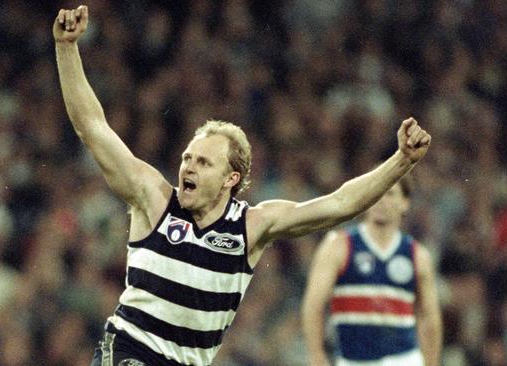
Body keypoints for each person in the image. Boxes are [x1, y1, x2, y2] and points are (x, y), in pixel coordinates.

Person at [53, 6, 432, 366]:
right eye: (187, 157)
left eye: (203, 162)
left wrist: (401, 161)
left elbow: (340, 204)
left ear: (230, 179)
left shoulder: (251, 227)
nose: (188, 166)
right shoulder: (153, 199)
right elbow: (93, 128)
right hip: (128, 351)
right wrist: (67, 48)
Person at [301, 178, 443, 366]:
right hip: (354, 361)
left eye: (390, 194)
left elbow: (429, 317)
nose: (381, 200)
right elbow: (313, 305)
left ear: (405, 203)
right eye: (376, 192)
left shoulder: (418, 255)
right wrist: (316, 355)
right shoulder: (338, 246)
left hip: (405, 360)